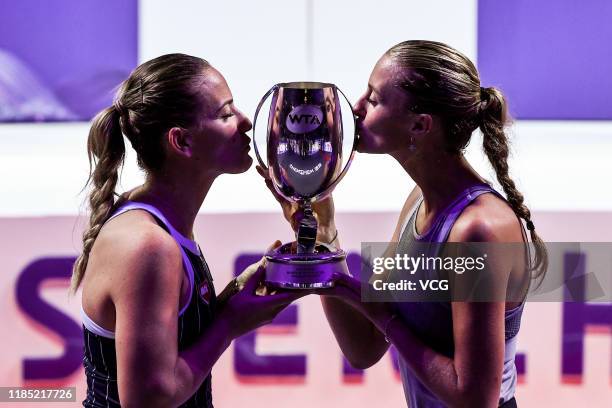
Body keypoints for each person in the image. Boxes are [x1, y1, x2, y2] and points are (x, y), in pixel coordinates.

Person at [259, 40, 547, 407]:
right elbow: (362, 348)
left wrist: (385, 318)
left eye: (374, 99)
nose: (356, 108)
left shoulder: (479, 230)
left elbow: (476, 398)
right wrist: (324, 234)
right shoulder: (418, 202)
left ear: (420, 125)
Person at [72, 53, 305, 408]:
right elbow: (149, 398)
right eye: (226, 113)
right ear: (181, 142)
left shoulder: (158, 222)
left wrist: (229, 300)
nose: (244, 121)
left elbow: (171, 346)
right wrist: (228, 323)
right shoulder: (147, 245)